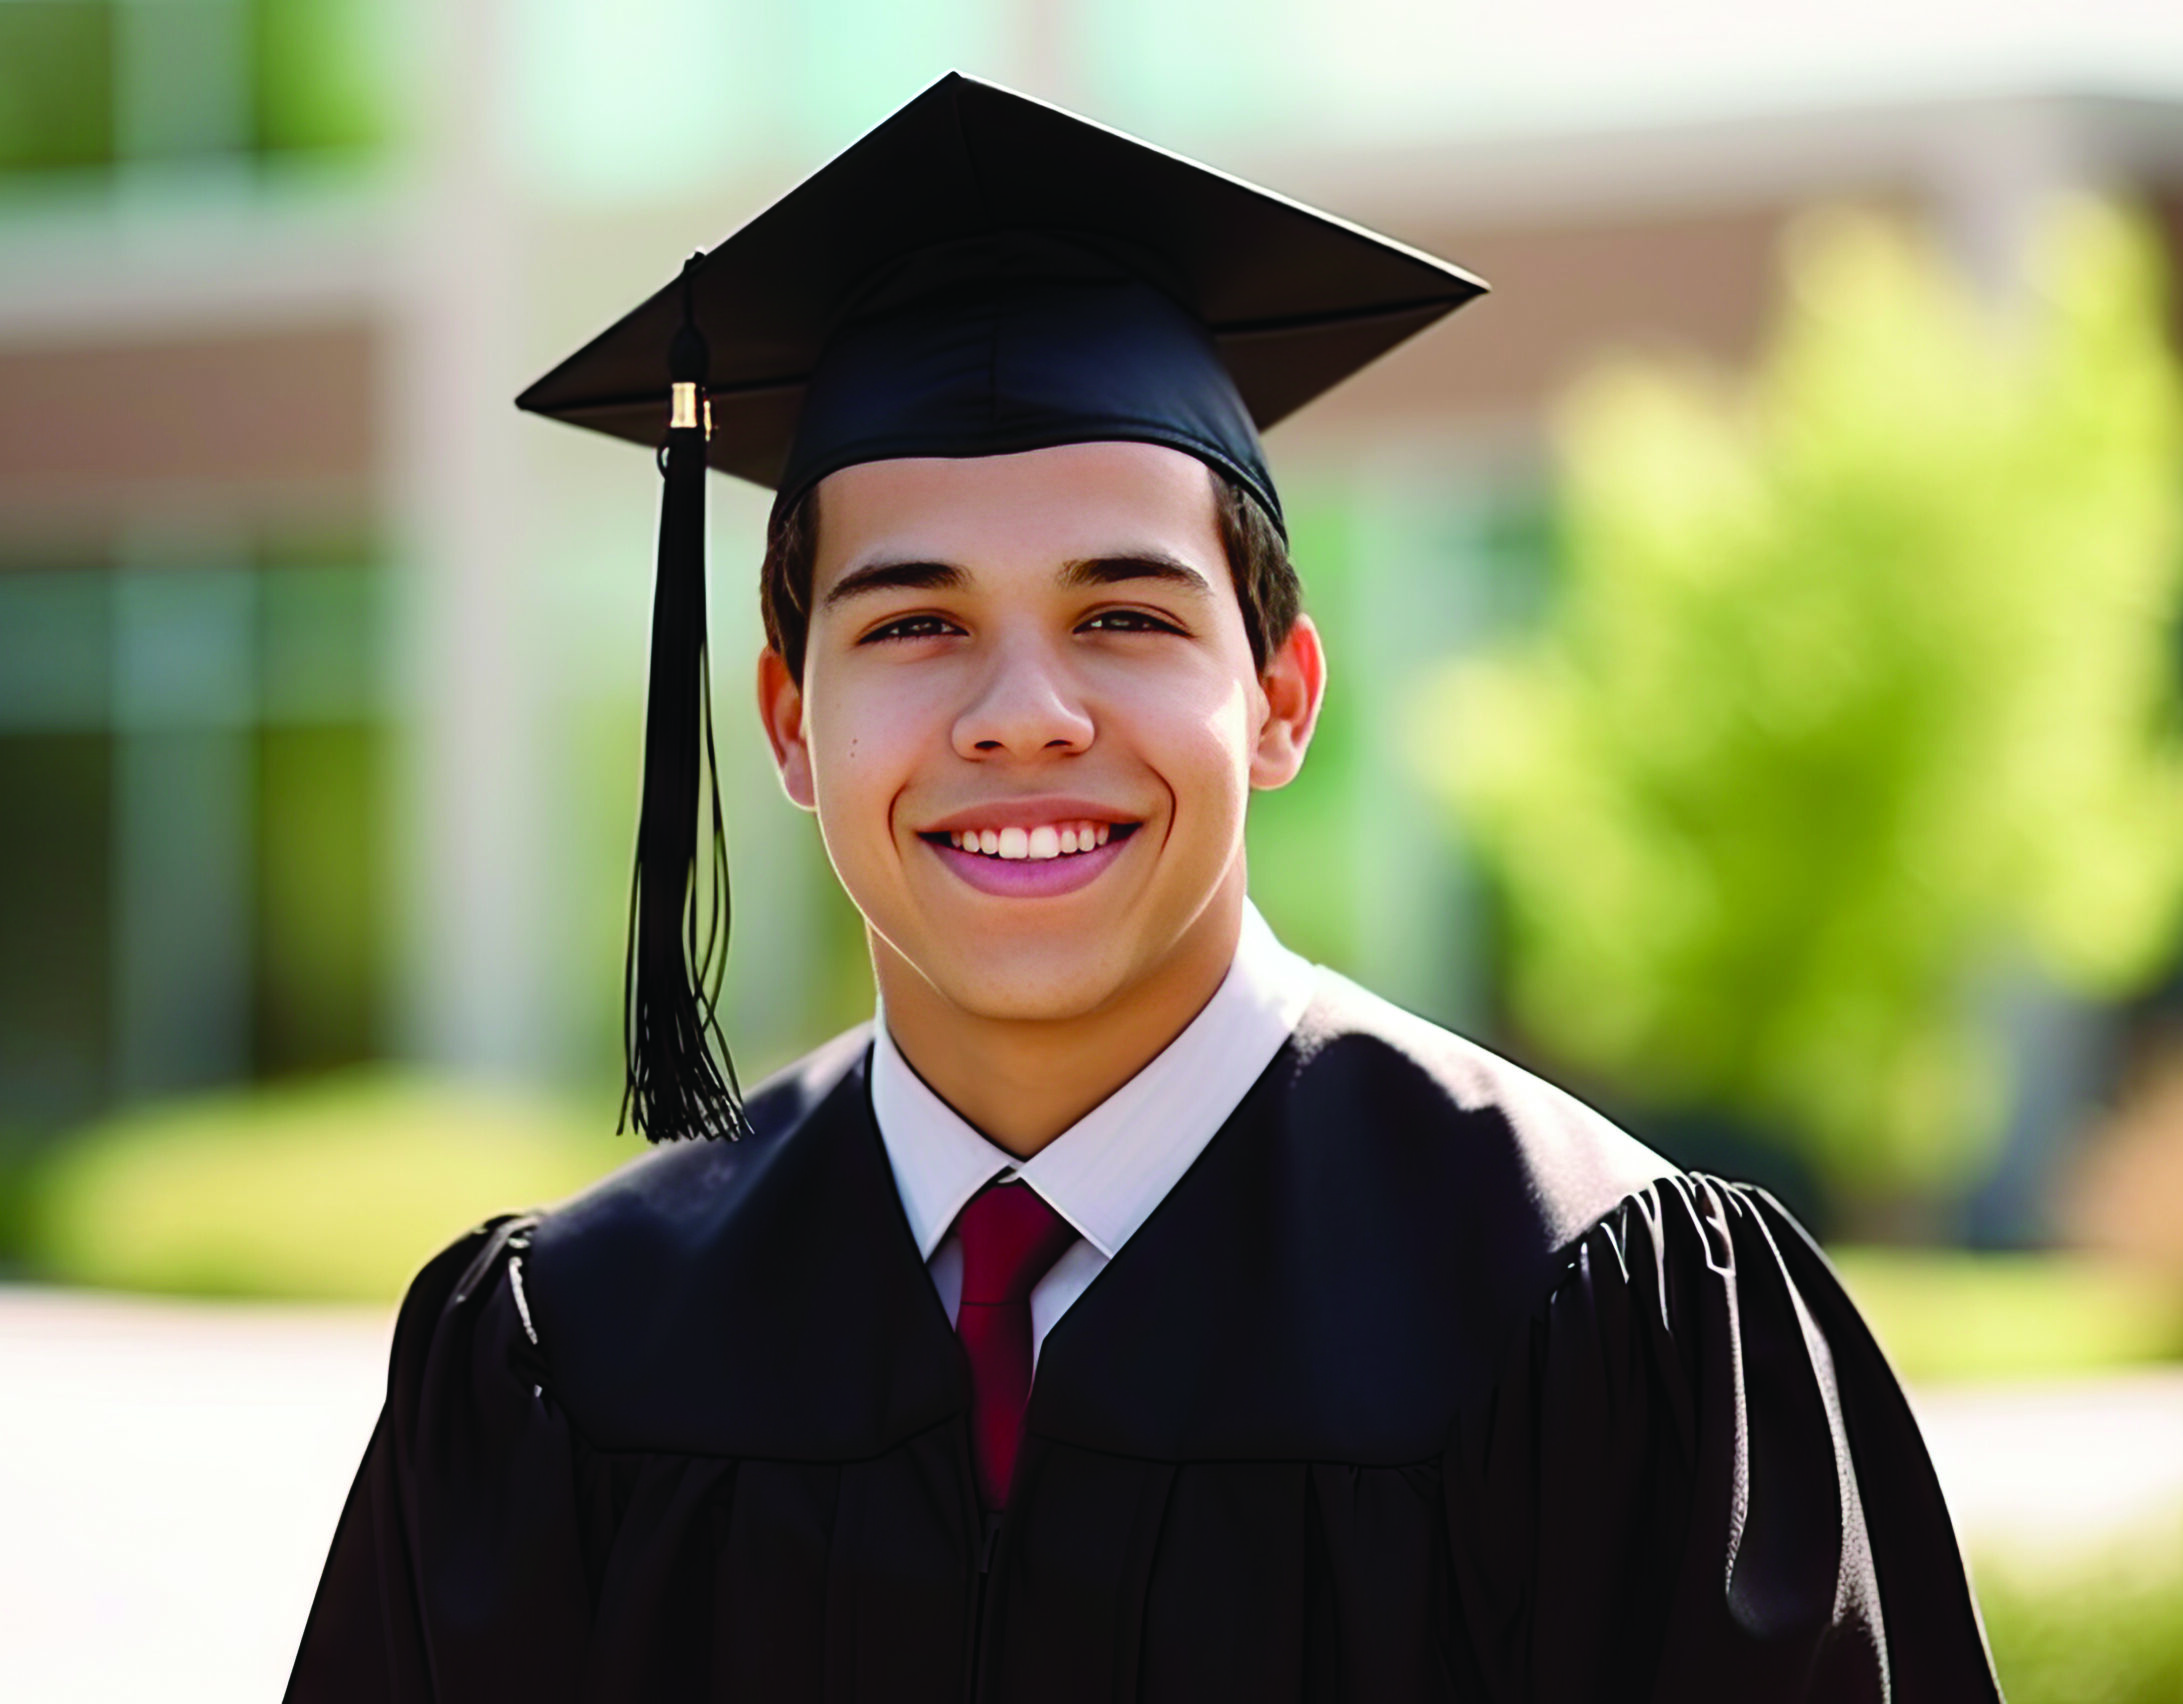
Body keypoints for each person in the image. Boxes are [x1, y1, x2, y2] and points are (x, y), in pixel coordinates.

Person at [288, 74, 2001, 1702]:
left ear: (1280, 699)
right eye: (915, 623)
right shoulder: (569, 1365)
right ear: (791, 724)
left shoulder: (1595, 1324)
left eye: (1124, 615)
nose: (1023, 715)